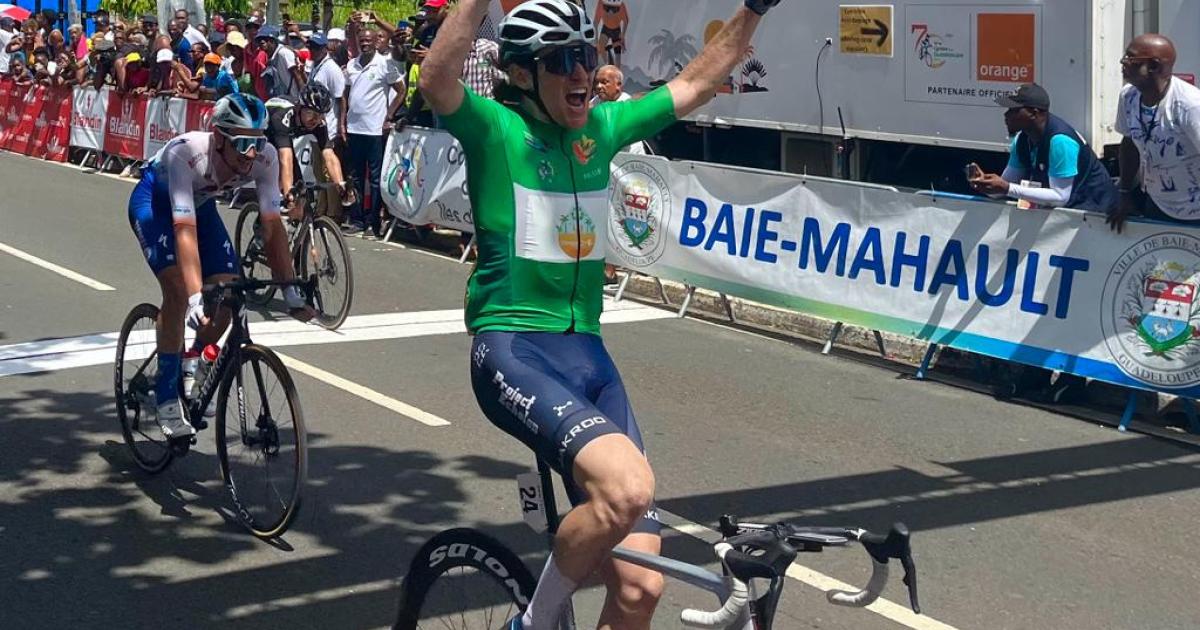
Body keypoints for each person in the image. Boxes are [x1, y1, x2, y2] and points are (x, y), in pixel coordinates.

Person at [419, 0, 777, 628]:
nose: (583, 71)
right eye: (563, 61)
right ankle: (529, 623)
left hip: (589, 356)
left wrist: (755, 8)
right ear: (523, 75)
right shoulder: (496, 130)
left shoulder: (601, 130)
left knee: (640, 587)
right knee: (628, 490)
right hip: (514, 348)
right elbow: (434, 81)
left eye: (587, 55)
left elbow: (693, 82)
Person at [127, 93, 315, 439]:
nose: (251, 154)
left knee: (230, 293)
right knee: (179, 291)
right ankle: (166, 397)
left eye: (257, 143)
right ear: (219, 137)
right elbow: (184, 230)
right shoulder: (187, 152)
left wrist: (289, 291)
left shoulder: (265, 157)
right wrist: (196, 295)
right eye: (242, 143)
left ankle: (192, 359)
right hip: (155, 204)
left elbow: (273, 228)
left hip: (201, 206)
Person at [969, 84, 1117, 211]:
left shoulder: (1060, 141)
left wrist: (1007, 188)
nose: (1006, 114)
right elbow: (1004, 188)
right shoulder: (1021, 140)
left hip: (1097, 214)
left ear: (1034, 113)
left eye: (1014, 110)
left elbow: (1060, 197)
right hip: (1072, 215)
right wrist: (985, 185)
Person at [1109, 34, 1200, 231]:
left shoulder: (1189, 106)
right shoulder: (1128, 96)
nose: (1123, 62)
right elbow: (1129, 143)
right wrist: (1124, 193)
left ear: (1154, 66)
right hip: (1157, 204)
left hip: (1195, 213)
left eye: (1130, 58)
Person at [342, 27, 404, 237]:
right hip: (354, 129)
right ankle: (358, 219)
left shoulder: (385, 64)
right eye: (362, 40)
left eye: (369, 40)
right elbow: (345, 94)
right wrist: (343, 121)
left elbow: (401, 90)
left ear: (375, 42)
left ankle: (374, 223)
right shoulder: (352, 64)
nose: (365, 43)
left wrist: (389, 116)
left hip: (375, 131)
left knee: (376, 178)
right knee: (356, 177)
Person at [265, 83, 355, 218]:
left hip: (286, 140)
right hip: (266, 135)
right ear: (299, 108)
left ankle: (295, 233)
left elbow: (329, 155)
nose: (315, 119)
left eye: (320, 115)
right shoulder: (283, 118)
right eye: (310, 113)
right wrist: (288, 193)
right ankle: (265, 220)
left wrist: (340, 186)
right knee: (279, 180)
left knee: (299, 194)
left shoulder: (319, 123)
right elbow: (286, 158)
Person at [258, 25, 305, 99]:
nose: (262, 42)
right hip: (282, 100)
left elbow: (297, 75)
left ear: (273, 40)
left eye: (265, 39)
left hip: (294, 100)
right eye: (259, 40)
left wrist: (303, 99)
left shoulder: (283, 53)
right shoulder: (270, 58)